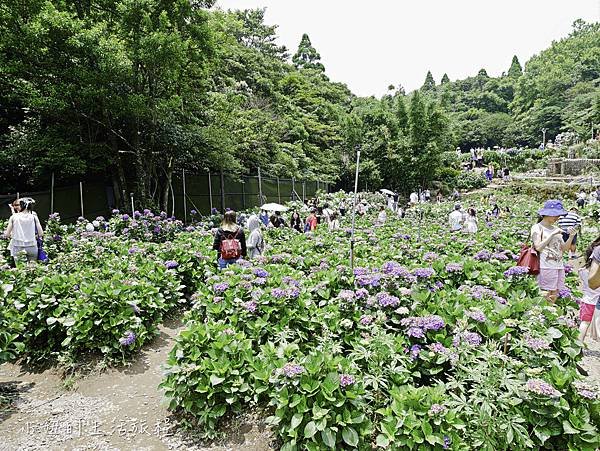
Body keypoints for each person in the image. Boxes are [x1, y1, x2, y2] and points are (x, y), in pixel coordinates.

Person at [531, 200, 577, 303]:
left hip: (559, 266)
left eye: (559, 215)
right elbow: (538, 247)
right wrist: (552, 234)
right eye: (555, 215)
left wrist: (571, 236)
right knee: (545, 295)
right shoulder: (537, 227)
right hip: (545, 266)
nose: (558, 218)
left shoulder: (556, 228)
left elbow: (564, 249)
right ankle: (544, 316)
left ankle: (552, 315)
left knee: (555, 294)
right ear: (546, 214)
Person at [3, 197, 44, 264]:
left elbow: (7, 235)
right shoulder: (33, 216)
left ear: (21, 206)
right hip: (32, 246)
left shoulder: (14, 217)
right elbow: (41, 234)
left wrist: (11, 235)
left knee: (20, 270)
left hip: (18, 247)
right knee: (32, 270)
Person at [578, 259, 600, 342]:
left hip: (587, 301)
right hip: (598, 303)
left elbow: (580, 271)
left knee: (584, 323)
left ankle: (579, 346)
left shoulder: (583, 271)